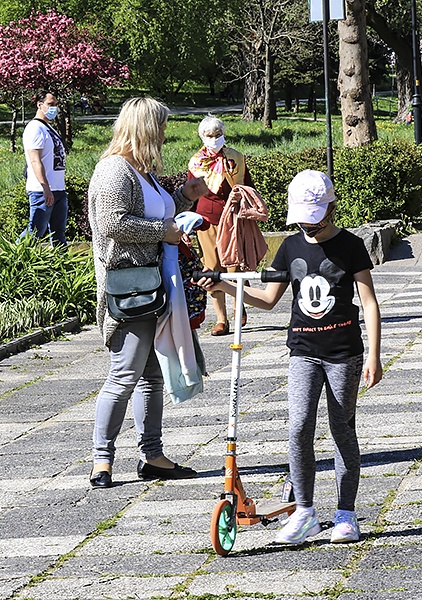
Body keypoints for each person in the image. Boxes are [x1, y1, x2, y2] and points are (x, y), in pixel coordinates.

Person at [196, 170, 383, 545]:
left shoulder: (351, 246)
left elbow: (369, 302)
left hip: (343, 353)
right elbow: (267, 300)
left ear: (332, 207)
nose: (308, 226)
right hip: (303, 351)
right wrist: (227, 287)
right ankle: (305, 512)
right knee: (298, 428)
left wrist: (374, 356)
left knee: (341, 428)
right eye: (301, 219)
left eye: (314, 217)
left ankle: (346, 514)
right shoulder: (291, 247)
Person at [86, 97, 208, 489]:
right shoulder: (114, 171)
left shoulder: (143, 173)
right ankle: (102, 461)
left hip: (155, 286)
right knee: (124, 375)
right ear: (145, 128)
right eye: (161, 126)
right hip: (130, 288)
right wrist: (164, 233)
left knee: (152, 375)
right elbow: (112, 223)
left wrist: (185, 197)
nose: (165, 134)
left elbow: (156, 210)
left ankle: (152, 455)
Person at [188, 115, 254, 336]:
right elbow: (189, 195)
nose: (214, 139)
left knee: (234, 267)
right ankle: (221, 320)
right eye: (209, 135)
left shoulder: (235, 157)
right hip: (206, 222)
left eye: (218, 135)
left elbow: (249, 187)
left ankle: (238, 310)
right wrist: (186, 224)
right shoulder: (196, 162)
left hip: (232, 219)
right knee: (212, 269)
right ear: (201, 137)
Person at [21, 90, 68, 245]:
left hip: (58, 188)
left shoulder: (48, 127)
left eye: (56, 105)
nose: (54, 108)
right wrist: (45, 187)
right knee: (35, 231)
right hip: (42, 190)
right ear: (40, 105)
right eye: (50, 104)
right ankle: (13, 258)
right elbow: (35, 160)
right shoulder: (35, 128)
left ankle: (61, 265)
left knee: (58, 232)